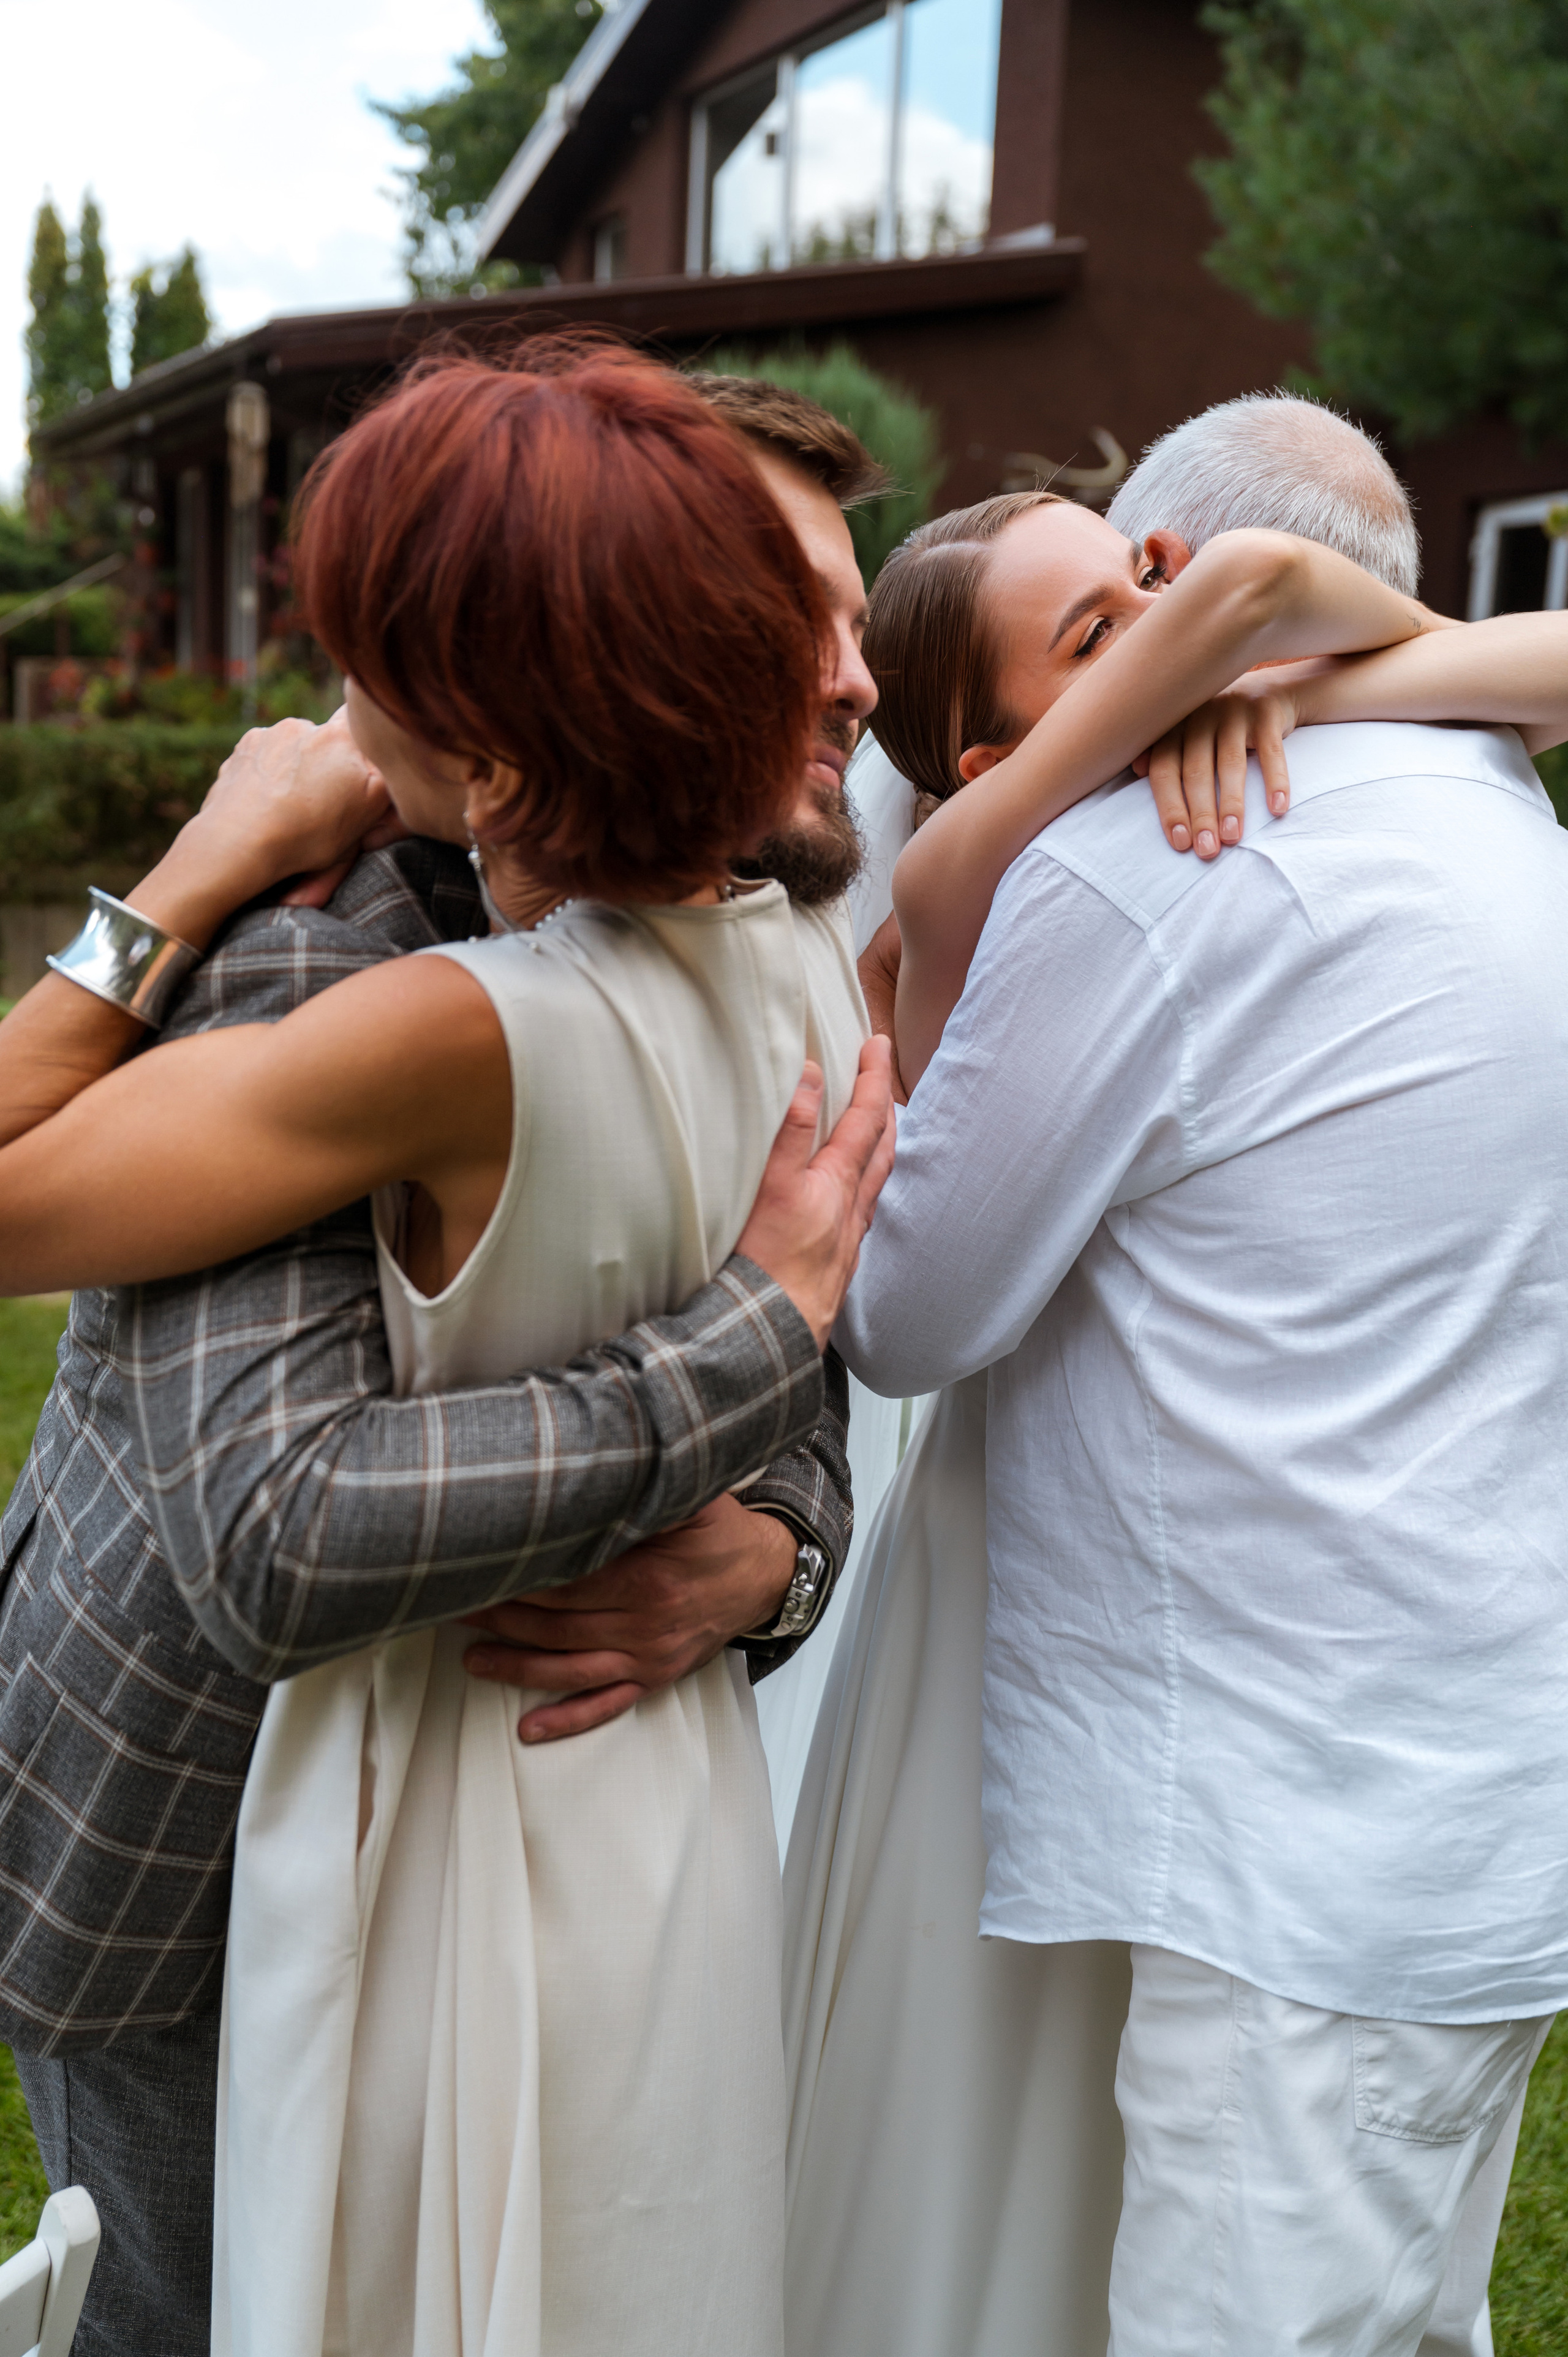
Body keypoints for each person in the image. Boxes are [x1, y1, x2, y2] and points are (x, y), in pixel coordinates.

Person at [0, 344, 893, 2355]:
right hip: (185, 1844)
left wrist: (775, 1541)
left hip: (480, 1813)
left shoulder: (683, 943)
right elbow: (797, 1299)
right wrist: (753, 1369)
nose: (845, 682)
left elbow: (797, 1368)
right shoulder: (380, 953)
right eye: (791, 618)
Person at [827, 448, 1568, 2357]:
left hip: (1302, 1848)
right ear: (983, 749)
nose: (1153, 627)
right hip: (1450, 1798)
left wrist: (979, 867)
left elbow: (906, 1316)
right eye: (1094, 630)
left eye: (1152, 579)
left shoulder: (1139, 867)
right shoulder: (1485, 780)